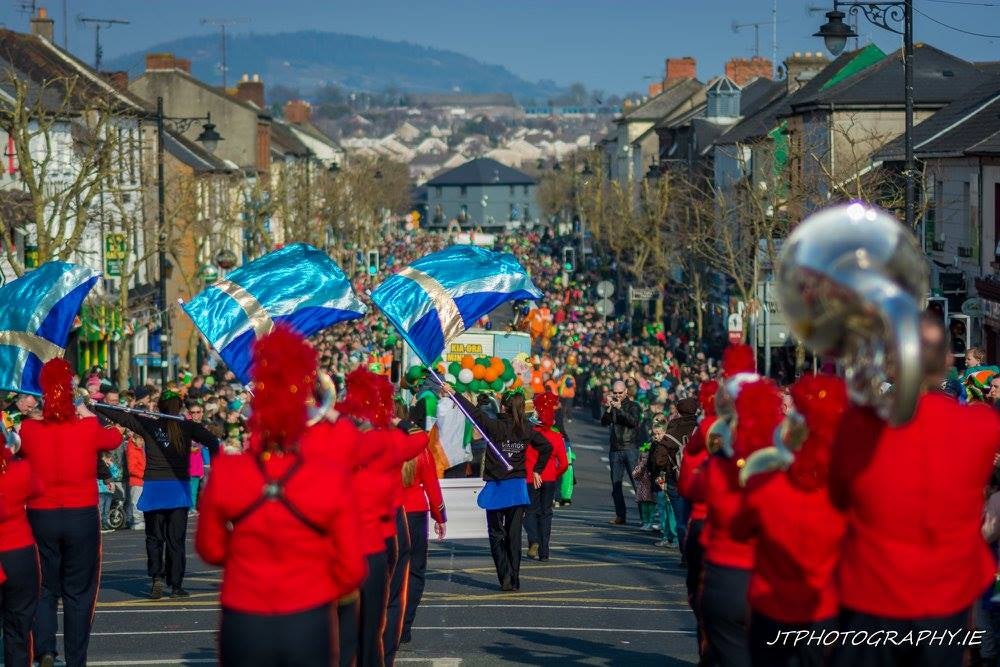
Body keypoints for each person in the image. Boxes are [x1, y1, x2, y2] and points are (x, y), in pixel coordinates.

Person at [830, 312, 1000, 667]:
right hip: (944, 597)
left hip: (874, 593)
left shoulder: (860, 426)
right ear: (947, 363)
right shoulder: (981, 427)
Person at [196, 325, 367, 667]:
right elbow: (351, 569)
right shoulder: (326, 476)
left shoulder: (228, 472)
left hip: (244, 617)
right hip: (308, 617)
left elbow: (210, 548)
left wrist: (249, 558)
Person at [734, 374, 848, 667]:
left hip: (770, 608)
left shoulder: (766, 488)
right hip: (822, 611)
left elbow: (739, 529)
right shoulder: (843, 495)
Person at [19, 358, 122, 667]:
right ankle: (77, 658)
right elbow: (114, 438)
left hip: (41, 514)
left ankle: (46, 648)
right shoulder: (87, 425)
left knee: (44, 587)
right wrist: (87, 412)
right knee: (79, 592)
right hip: (80, 515)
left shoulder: (29, 428)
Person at [96, 390, 220, 599]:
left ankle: (157, 578)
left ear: (160, 408)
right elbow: (213, 442)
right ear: (178, 408)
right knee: (176, 540)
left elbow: (124, 417)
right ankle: (176, 585)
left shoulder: (151, 425)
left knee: (154, 537)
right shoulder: (187, 426)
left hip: (155, 488)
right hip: (177, 490)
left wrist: (98, 405)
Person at [447, 386, 552, 592]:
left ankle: (504, 577)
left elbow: (472, 412)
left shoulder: (494, 426)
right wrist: (538, 470)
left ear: (503, 406)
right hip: (516, 487)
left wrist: (454, 392)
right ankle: (515, 578)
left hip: (496, 486)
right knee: (514, 536)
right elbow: (546, 447)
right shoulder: (526, 429)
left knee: (496, 534)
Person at [400, 423, 447, 645]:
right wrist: (440, 517)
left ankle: (390, 623)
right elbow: (432, 485)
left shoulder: (386, 449)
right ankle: (405, 625)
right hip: (416, 513)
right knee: (416, 572)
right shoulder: (421, 453)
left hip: (392, 512)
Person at [0, 430, 41, 667]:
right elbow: (37, 489)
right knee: (19, 627)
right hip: (18, 553)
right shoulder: (20, 469)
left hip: (14, 549)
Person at [525, 392, 568, 561]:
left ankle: (533, 540)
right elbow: (564, 464)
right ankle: (544, 551)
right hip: (549, 478)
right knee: (546, 514)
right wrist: (554, 475)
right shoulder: (556, 436)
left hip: (530, 478)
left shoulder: (529, 433)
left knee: (529, 512)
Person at [654, 396, 699, 550]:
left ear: (679, 410)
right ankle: (696, 552)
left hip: (676, 478)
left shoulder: (674, 426)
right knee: (697, 518)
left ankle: (685, 554)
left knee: (681, 519)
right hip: (698, 480)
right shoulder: (701, 427)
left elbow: (660, 458)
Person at [601, 380, 641, 525]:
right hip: (615, 449)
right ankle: (620, 515)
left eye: (620, 393)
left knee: (637, 484)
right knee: (616, 485)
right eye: (615, 393)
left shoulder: (633, 406)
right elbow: (604, 422)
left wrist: (620, 409)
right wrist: (609, 409)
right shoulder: (612, 406)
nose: (617, 395)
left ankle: (645, 517)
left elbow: (633, 422)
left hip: (630, 448)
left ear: (626, 392)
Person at [126, 433, 146, 530]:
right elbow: (132, 469)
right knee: (136, 502)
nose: (141, 442)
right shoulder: (133, 450)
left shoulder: (139, 449)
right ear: (134, 439)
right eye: (139, 440)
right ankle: (137, 522)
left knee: (138, 502)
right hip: (137, 481)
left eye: (142, 440)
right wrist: (144, 475)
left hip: (141, 481)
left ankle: (139, 521)